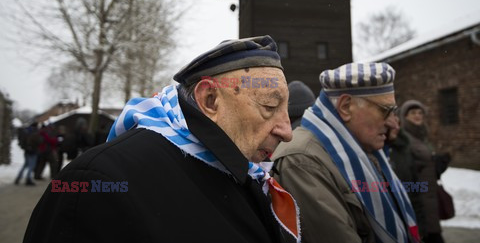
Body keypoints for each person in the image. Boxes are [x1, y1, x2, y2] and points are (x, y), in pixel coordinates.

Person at [23, 35, 300, 243]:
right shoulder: (94, 184)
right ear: (211, 100)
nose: (287, 131)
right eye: (269, 107)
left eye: (286, 110)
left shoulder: (250, 175)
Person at [273, 62, 420, 243]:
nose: (393, 123)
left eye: (394, 111)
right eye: (385, 110)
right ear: (346, 106)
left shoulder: (362, 147)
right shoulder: (301, 161)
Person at [392, 100, 448, 243]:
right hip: (419, 199)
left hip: (430, 197)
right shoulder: (405, 139)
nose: (417, 116)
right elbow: (406, 171)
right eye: (412, 113)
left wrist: (437, 165)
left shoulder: (421, 136)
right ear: (404, 116)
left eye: (420, 112)